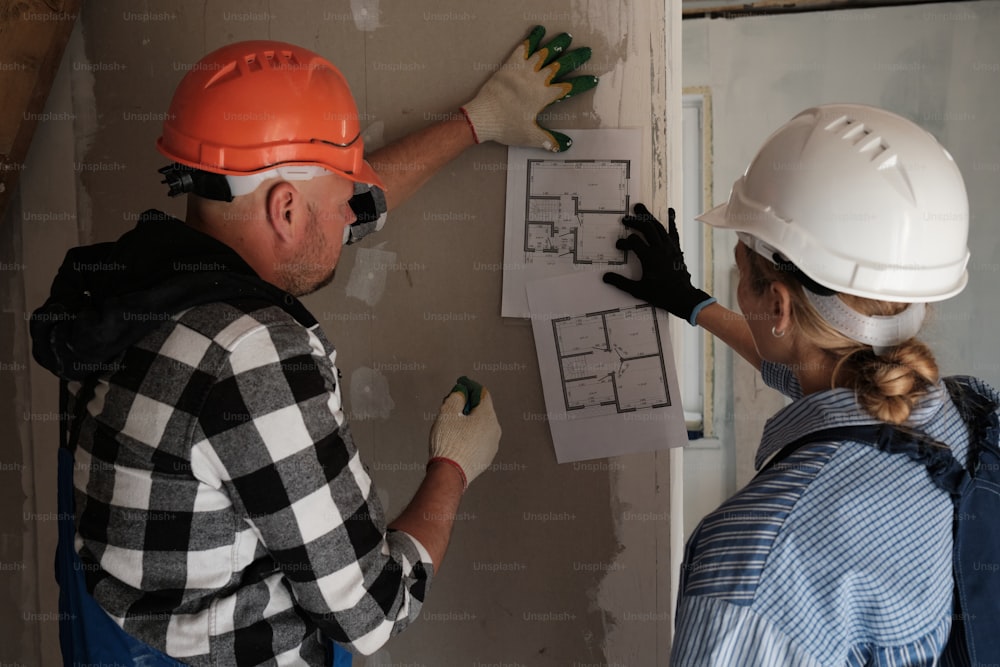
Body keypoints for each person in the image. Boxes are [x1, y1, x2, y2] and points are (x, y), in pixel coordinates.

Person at [29, 28, 598, 667]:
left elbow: (340, 212)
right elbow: (371, 612)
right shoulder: (251, 357)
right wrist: (453, 468)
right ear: (287, 211)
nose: (353, 215)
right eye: (338, 201)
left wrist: (477, 122)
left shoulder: (135, 290)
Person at [604, 104, 993, 665]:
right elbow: (811, 373)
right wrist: (694, 304)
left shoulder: (759, 561)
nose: (735, 280)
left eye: (739, 267)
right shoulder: (962, 409)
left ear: (779, 306)